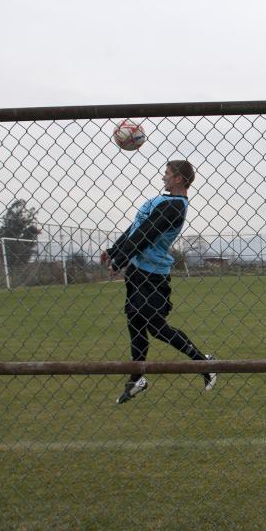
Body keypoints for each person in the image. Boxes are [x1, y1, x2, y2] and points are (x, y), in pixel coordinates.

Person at [106, 160, 217, 404]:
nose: (163, 177)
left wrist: (120, 259)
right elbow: (136, 228)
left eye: (167, 173)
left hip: (153, 276)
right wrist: (114, 251)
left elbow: (147, 234)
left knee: (154, 325)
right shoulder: (161, 200)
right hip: (137, 272)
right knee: (135, 322)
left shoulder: (175, 207)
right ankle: (137, 379)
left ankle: (204, 363)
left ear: (178, 178)